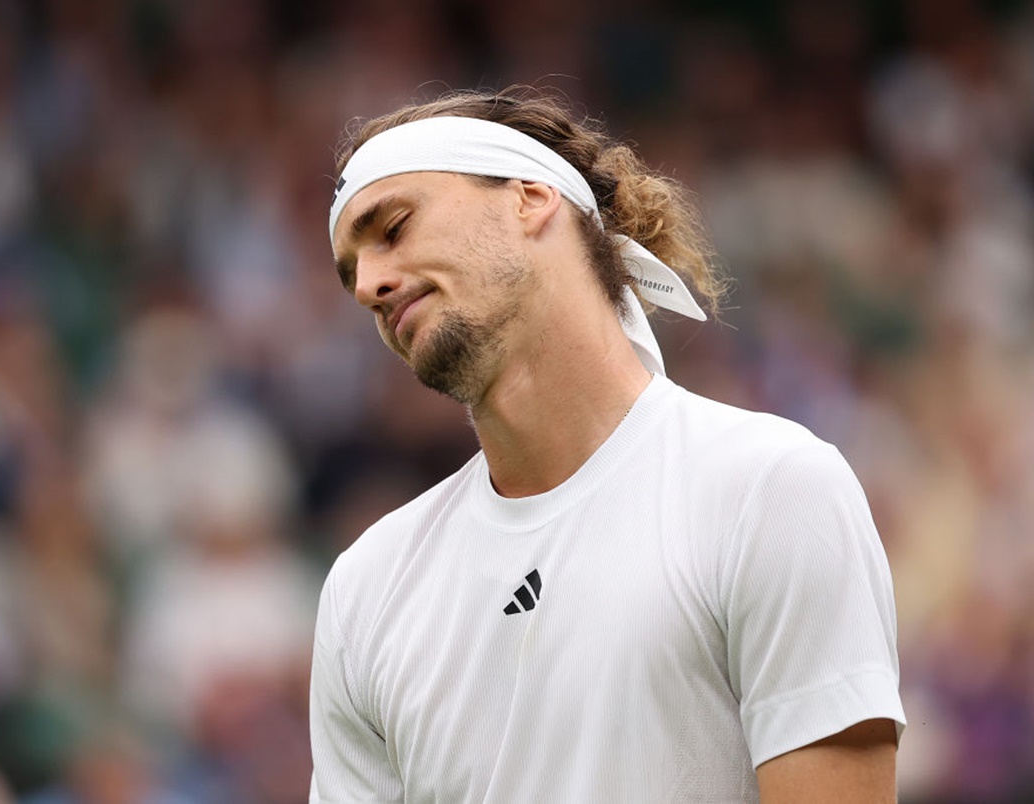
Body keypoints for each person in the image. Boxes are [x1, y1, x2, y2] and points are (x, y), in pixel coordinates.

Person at [309, 87, 905, 803]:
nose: (369, 283)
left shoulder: (770, 489)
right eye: (352, 271)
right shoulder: (364, 588)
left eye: (393, 227)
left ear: (530, 198)